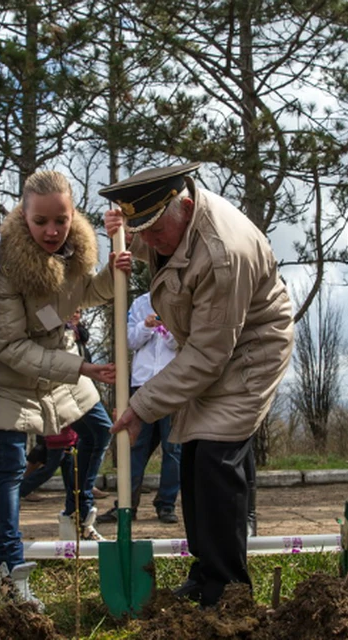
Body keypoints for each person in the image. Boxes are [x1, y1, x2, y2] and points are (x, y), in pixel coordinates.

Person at [102, 162, 294, 608]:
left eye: (154, 232)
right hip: (206, 343)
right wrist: (119, 229)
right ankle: (206, 570)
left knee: (215, 458)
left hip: (250, 348)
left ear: (185, 207)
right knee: (192, 458)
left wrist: (139, 405)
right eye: (140, 231)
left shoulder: (221, 253)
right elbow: (143, 234)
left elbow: (210, 355)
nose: (147, 242)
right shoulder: (164, 222)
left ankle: (228, 591)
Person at [0, 170, 129, 611]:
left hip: (58, 363)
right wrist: (82, 367)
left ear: (72, 213)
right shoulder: (4, 262)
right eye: (40, 221)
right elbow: (8, 344)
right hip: (7, 372)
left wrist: (114, 270)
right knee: (10, 462)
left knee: (100, 431)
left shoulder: (77, 248)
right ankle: (11, 568)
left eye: (60, 219)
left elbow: (85, 295)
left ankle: (76, 515)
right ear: (24, 215)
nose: (51, 230)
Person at [98, 291, 181, 525]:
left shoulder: (181, 299)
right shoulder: (139, 303)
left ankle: (166, 504)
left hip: (172, 383)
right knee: (135, 447)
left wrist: (167, 326)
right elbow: (129, 341)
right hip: (141, 384)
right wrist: (146, 325)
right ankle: (126, 505)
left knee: (173, 448)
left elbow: (181, 341)